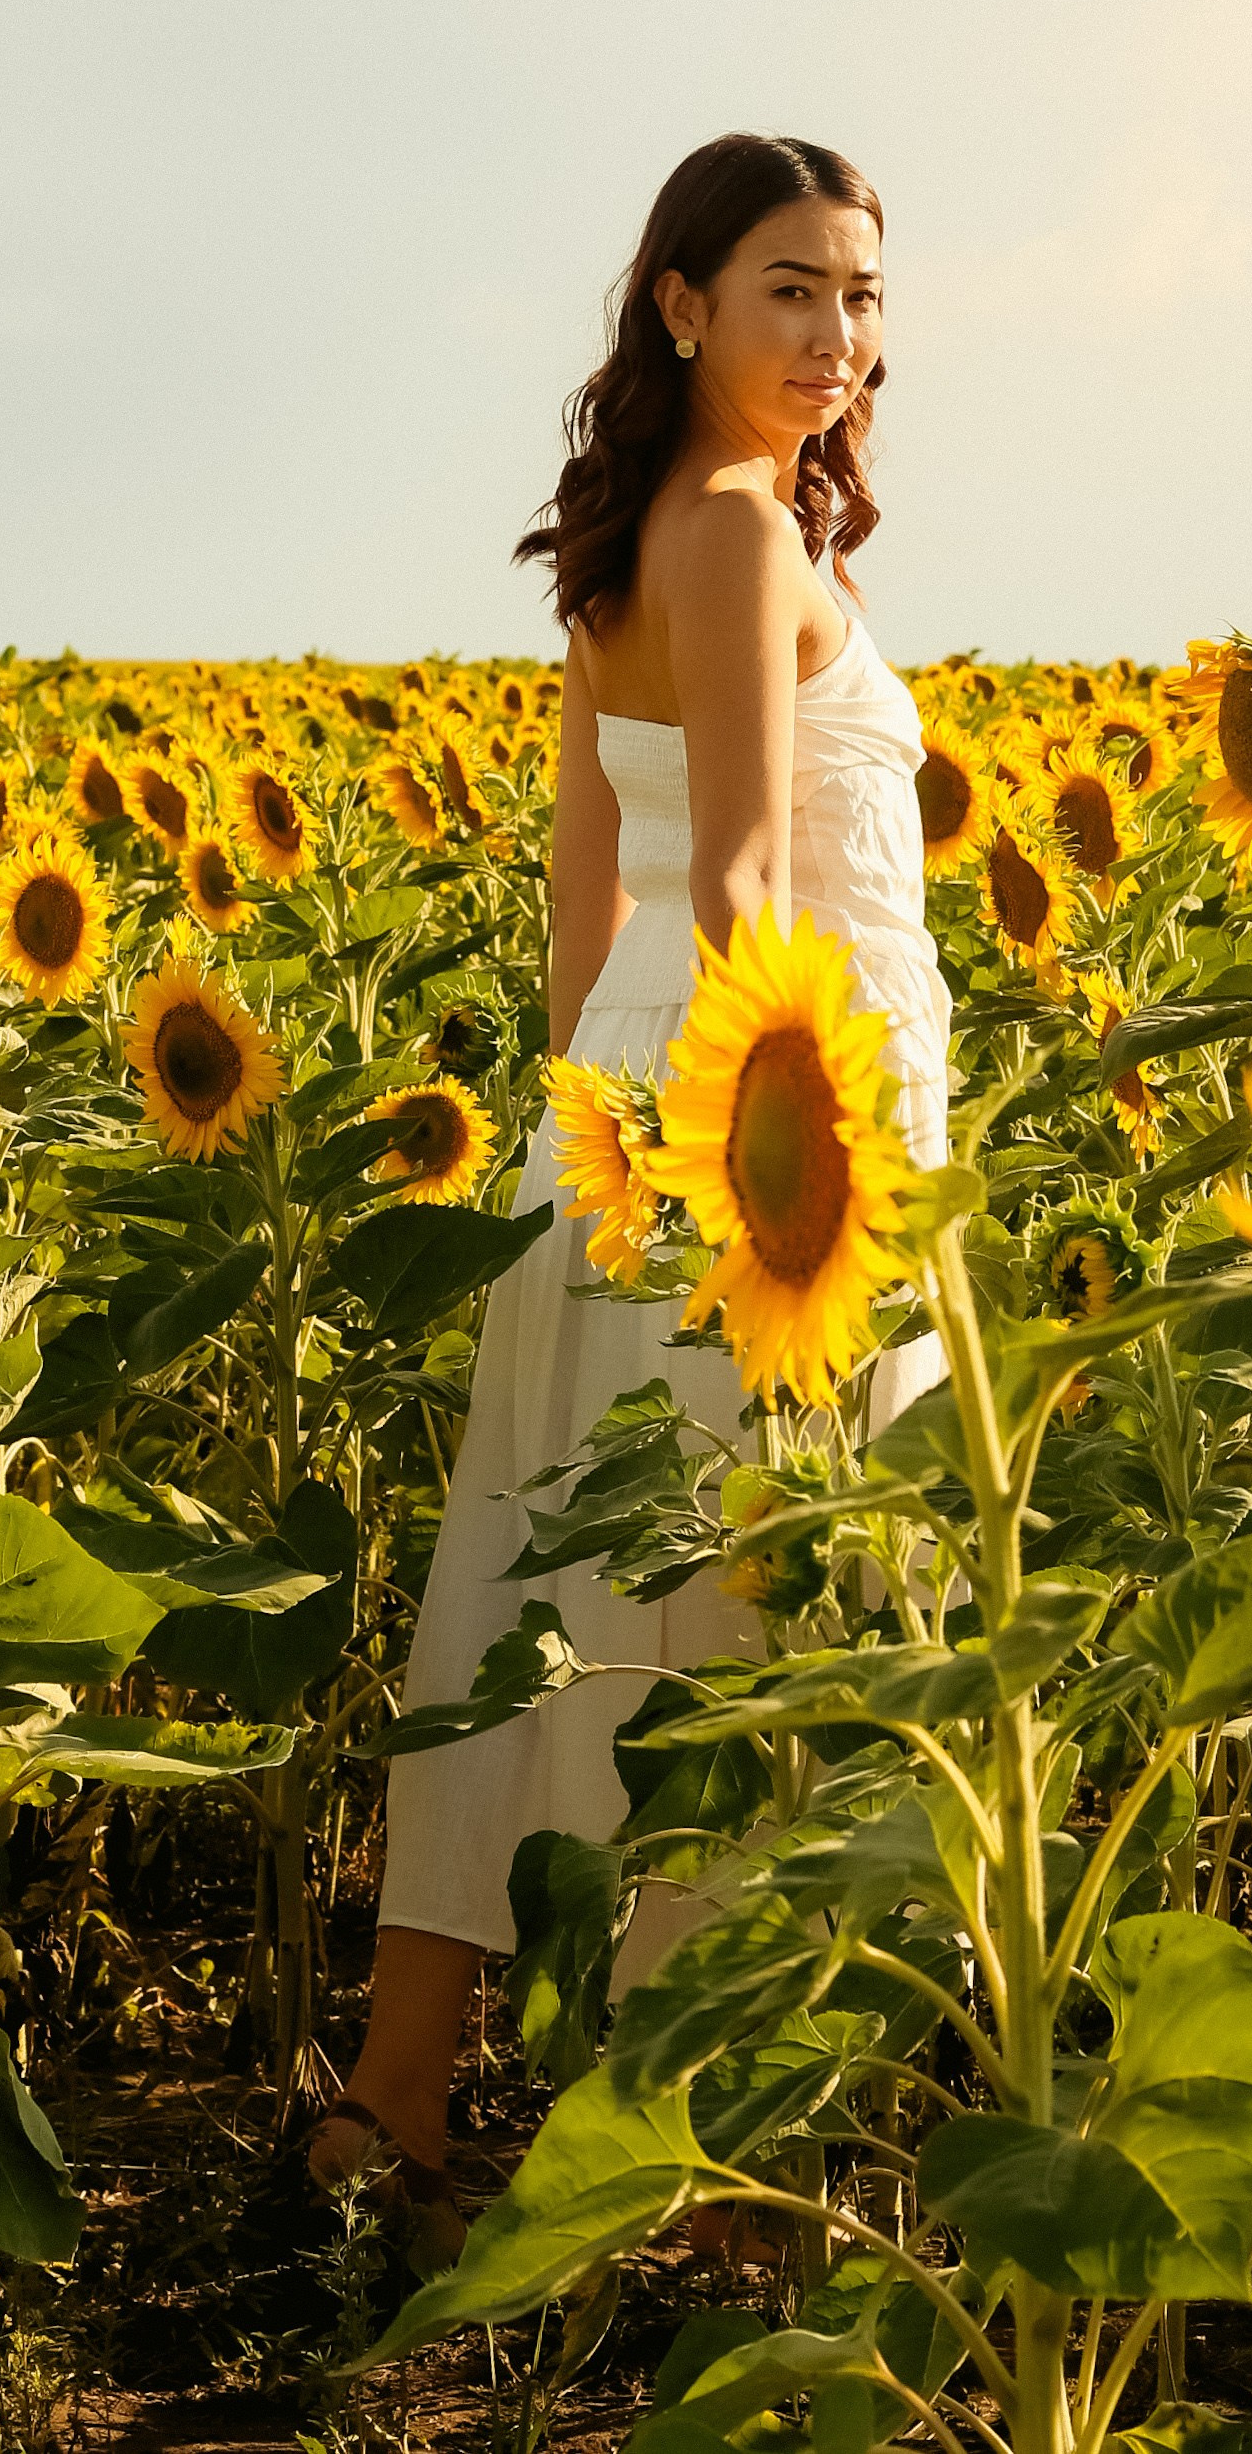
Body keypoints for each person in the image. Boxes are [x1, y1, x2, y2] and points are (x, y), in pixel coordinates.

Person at [309, 133, 952, 2237]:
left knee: (533, 1591)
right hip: (763, 1129)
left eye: (861, 292)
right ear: (677, 300)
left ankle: (394, 2098)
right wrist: (774, 1175)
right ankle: (725, 2172)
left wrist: (605, 1136)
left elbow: (588, 925)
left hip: (621, 1108)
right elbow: (757, 883)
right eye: (790, 287)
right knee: (732, 1623)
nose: (838, 336)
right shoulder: (750, 537)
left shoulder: (629, 542)